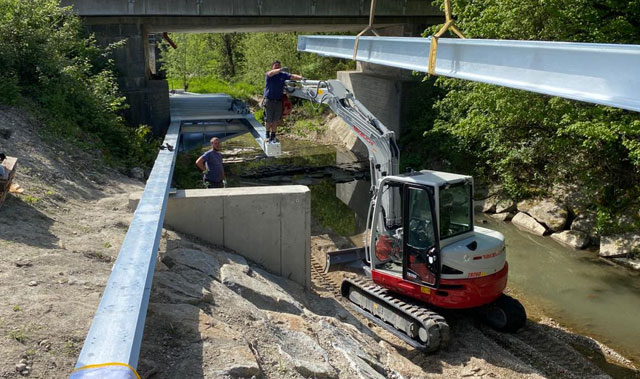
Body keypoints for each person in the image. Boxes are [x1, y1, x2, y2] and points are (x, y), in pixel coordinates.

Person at [263, 60, 303, 143]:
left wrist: (301, 78)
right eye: (276, 65)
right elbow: (271, 73)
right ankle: (267, 135)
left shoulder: (283, 75)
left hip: (278, 101)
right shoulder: (269, 74)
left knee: (275, 120)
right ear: (272, 67)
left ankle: (273, 135)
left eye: (278, 65)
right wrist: (280, 70)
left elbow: (292, 76)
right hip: (269, 100)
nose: (277, 67)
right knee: (268, 119)